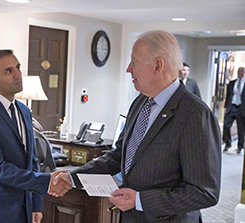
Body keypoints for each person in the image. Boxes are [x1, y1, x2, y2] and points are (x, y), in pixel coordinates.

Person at [55, 30, 221, 222]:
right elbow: (119, 156)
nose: (128, 69)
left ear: (158, 65)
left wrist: (141, 200)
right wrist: (73, 177)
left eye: (134, 62)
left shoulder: (195, 114)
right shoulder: (140, 102)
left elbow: (204, 192)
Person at [0, 49, 71, 223]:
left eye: (18, 67)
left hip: (25, 207)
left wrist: (36, 204)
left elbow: (32, 160)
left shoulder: (24, 111)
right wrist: (45, 182)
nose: (18, 75)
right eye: (9, 71)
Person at [223, 67, 245, 154]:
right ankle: (227, 144)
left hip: (241, 108)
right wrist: (226, 107)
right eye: (239, 71)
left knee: (240, 129)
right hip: (231, 107)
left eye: (242, 71)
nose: (240, 73)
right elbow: (228, 95)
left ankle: (240, 147)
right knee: (226, 125)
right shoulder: (232, 83)